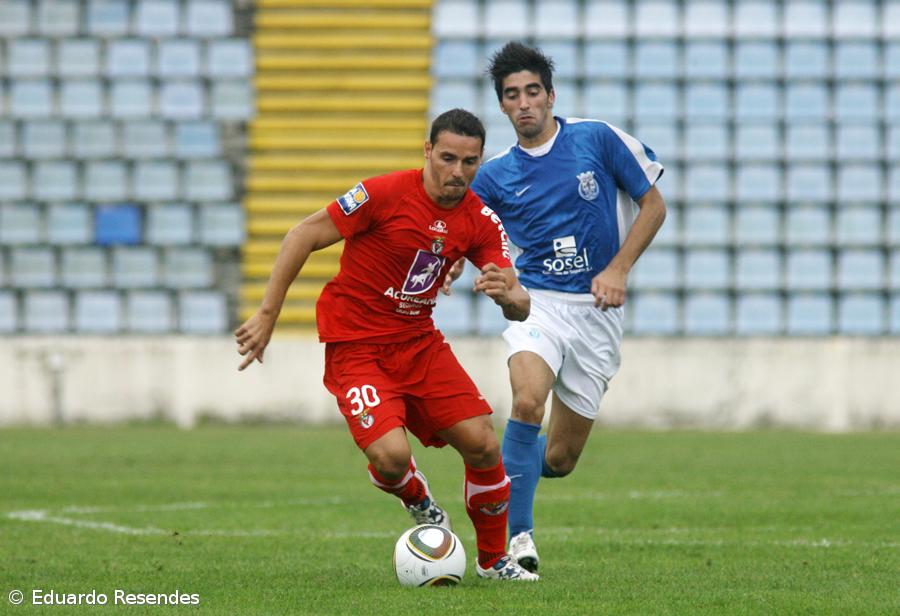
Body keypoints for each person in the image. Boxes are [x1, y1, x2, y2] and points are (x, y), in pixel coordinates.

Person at [235, 109, 538, 581]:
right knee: (391, 457)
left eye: (470, 162)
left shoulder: (480, 219)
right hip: (356, 347)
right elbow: (303, 234)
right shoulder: (382, 194)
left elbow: (516, 299)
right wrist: (267, 314)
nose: (457, 172)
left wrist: (510, 297)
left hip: (418, 343)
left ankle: (494, 561)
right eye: (448, 158)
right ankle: (415, 493)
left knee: (482, 444)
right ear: (427, 151)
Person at [449, 42, 668, 573]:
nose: (523, 103)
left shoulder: (596, 139)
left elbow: (654, 205)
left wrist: (617, 269)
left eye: (531, 92)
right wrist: (456, 263)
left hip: (597, 313)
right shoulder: (496, 175)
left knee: (561, 461)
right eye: (511, 96)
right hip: (539, 304)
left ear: (550, 94)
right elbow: (463, 227)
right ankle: (516, 542)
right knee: (527, 402)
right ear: (502, 106)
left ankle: (504, 473)